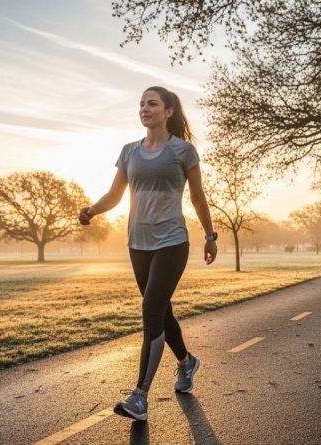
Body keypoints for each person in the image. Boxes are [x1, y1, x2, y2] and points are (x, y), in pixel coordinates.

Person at [78, 86, 218, 421]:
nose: (144, 108)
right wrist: (94, 210)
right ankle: (187, 362)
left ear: (168, 111)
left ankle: (140, 396)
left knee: (150, 308)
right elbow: (115, 194)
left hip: (172, 242)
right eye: (141, 104)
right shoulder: (129, 151)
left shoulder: (183, 151)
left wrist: (210, 236)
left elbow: (198, 197)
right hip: (137, 243)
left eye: (152, 103)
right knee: (161, 313)